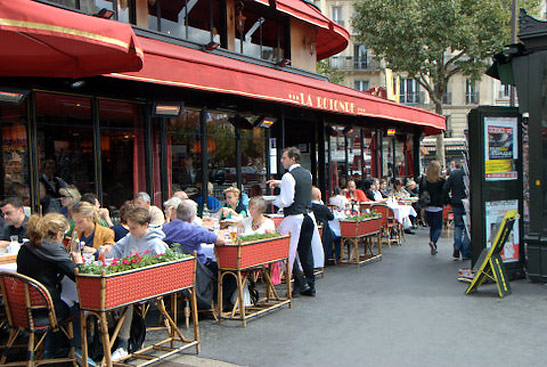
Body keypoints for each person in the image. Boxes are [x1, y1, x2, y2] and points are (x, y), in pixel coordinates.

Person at [16, 213, 87, 361]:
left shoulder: (25, 248)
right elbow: (79, 276)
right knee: (79, 306)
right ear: (58, 234)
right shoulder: (54, 249)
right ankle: (77, 350)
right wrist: (78, 261)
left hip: (21, 309)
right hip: (47, 310)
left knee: (60, 299)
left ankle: (51, 349)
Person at [104, 207, 169, 360]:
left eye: (134, 228)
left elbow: (162, 270)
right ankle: (107, 338)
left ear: (146, 225)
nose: (131, 231)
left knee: (125, 299)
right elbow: (116, 250)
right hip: (129, 280)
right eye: (129, 227)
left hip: (147, 284)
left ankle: (123, 343)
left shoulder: (155, 244)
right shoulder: (130, 237)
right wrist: (107, 249)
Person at [267, 147, 323, 297]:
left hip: (294, 218)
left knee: (286, 251)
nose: (281, 160)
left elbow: (286, 200)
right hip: (308, 216)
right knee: (305, 252)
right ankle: (309, 285)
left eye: (284, 158)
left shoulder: (288, 176)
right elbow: (296, 186)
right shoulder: (307, 174)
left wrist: (273, 200)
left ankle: (299, 282)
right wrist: (279, 183)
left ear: (292, 159)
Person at [162, 200, 226, 268]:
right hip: (197, 268)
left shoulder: (164, 229)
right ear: (191, 218)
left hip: (174, 267)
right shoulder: (196, 230)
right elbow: (221, 241)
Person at [443, 162, 471, 260]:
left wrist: (448, 200)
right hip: (468, 203)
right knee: (469, 228)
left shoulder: (454, 174)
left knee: (458, 226)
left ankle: (457, 246)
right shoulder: (470, 175)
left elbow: (445, 187)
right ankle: (466, 251)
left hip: (456, 202)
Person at [419, 161, 447, 255]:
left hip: (427, 206)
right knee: (438, 227)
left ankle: (433, 244)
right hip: (438, 206)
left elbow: (420, 193)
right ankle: (434, 242)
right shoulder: (442, 181)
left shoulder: (424, 180)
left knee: (432, 227)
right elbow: (444, 193)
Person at [310, 187, 335, 266]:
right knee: (336, 236)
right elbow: (331, 217)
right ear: (319, 196)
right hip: (325, 232)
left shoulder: (308, 208)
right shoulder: (323, 208)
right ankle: (334, 256)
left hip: (313, 231)